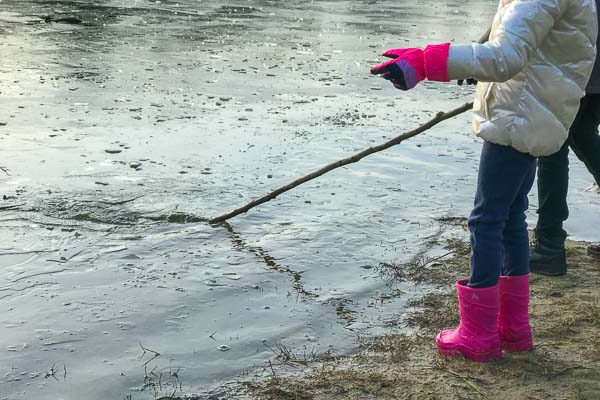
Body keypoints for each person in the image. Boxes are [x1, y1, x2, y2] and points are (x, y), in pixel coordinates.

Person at [371, 0, 597, 362]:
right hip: (535, 110)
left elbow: (504, 57)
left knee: (486, 219)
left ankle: (478, 334)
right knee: (509, 217)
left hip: (518, 114)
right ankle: (513, 329)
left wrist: (427, 61)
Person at [530, 13, 600, 275]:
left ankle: (549, 247)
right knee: (583, 136)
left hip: (575, 71)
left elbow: (528, 17)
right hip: (590, 72)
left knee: (551, 147)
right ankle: (549, 242)